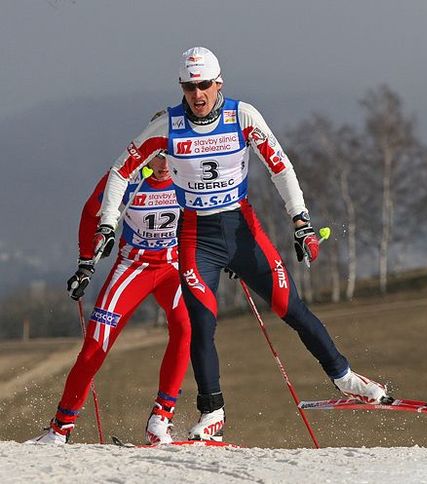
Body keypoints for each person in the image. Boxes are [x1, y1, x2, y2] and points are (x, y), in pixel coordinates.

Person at [92, 47, 388, 442]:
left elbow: (279, 165)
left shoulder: (241, 116)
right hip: (196, 236)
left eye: (205, 86)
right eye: (191, 86)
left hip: (241, 229)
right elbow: (119, 172)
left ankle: (344, 376)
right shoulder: (166, 125)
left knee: (290, 306)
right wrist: (108, 224)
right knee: (201, 324)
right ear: (182, 86)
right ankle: (212, 411)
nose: (198, 95)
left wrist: (300, 220)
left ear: (219, 84)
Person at [30, 152, 191, 444]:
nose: (165, 164)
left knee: (186, 327)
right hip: (133, 267)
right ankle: (60, 428)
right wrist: (85, 263)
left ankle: (160, 420)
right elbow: (91, 211)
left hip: (173, 266)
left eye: (172, 154)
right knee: (95, 344)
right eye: (159, 156)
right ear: (148, 153)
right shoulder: (128, 178)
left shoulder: (188, 176)